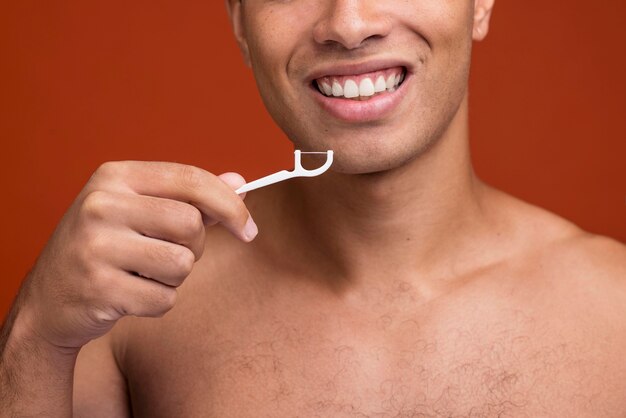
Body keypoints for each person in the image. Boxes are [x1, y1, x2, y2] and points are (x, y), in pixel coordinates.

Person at [1, 0, 625, 416]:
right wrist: (36, 336)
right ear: (239, 21)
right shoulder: (129, 316)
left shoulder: (615, 317)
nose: (350, 24)